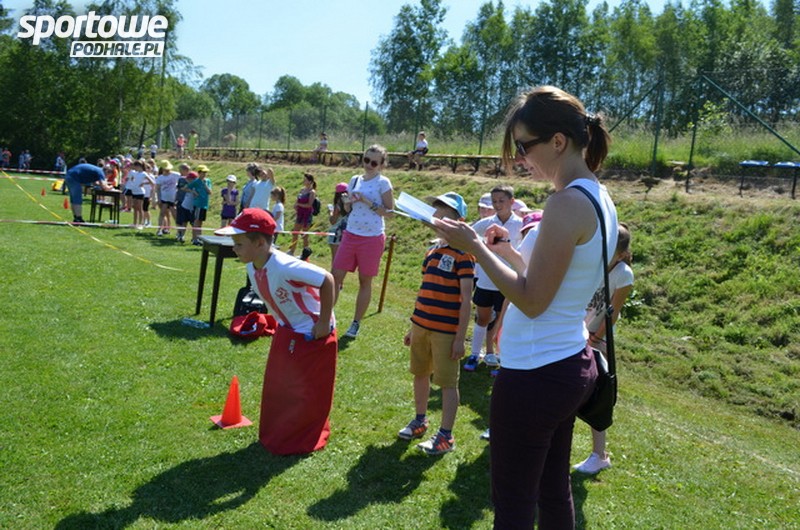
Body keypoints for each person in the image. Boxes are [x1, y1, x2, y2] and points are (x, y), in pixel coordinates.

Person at [432, 85, 616, 529]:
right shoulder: (597, 195)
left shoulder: (566, 202)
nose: (519, 159)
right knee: (552, 490)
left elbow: (533, 301)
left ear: (558, 141)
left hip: (536, 375)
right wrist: (509, 255)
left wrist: (476, 248)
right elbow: (557, 281)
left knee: (513, 503)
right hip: (564, 362)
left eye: (523, 146)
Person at [215, 208, 337, 455]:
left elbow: (327, 280)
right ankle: (279, 433)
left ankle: (301, 438)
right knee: (280, 385)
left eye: (239, 244)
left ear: (260, 243)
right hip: (286, 329)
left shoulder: (285, 266)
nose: (234, 248)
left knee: (305, 389)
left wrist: (323, 322)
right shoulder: (252, 266)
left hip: (312, 334)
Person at [398, 192, 474, 456]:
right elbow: (424, 290)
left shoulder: (464, 254)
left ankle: (445, 436)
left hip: (446, 332)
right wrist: (413, 327)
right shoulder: (432, 251)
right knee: (420, 373)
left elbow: (466, 300)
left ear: (460, 222)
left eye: (445, 216)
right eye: (436, 215)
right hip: (421, 326)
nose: (439, 220)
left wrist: (459, 338)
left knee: (447, 383)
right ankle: (420, 420)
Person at [574, 222, 634, 475]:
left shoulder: (623, 274)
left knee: (598, 396)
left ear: (621, 254)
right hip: (577, 333)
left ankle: (599, 455)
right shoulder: (594, 263)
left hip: (598, 340)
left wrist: (595, 339)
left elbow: (613, 313)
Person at [332, 144, 395, 339]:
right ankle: (326, 316)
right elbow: (348, 209)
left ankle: (356, 323)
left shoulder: (383, 182)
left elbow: (390, 213)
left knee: (364, 281)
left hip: (372, 238)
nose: (369, 165)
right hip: (351, 233)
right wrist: (348, 202)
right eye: (366, 160)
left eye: (374, 162)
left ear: (382, 164)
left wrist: (367, 201)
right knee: (335, 276)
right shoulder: (354, 180)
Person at [462, 185, 523, 374]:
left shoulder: (520, 224)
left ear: (512, 202)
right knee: (482, 318)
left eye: (501, 201)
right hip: (486, 280)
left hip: (508, 282)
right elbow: (468, 235)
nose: (497, 204)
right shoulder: (486, 223)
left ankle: (499, 357)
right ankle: (474, 354)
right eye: (494, 201)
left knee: (503, 322)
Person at [287, 172, 317, 258]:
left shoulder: (312, 192)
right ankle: (292, 250)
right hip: (299, 214)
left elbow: (309, 205)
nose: (303, 181)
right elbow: (298, 200)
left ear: (310, 181)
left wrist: (299, 204)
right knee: (295, 232)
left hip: (307, 215)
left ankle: (305, 253)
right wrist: (296, 205)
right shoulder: (302, 190)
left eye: (305, 180)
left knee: (304, 235)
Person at [327, 182, 351, 269]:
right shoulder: (350, 205)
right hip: (346, 233)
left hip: (336, 233)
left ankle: (334, 276)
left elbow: (333, 221)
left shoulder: (338, 205)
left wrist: (330, 212)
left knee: (335, 259)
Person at [188, 164, 212, 245]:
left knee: (200, 222)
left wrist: (205, 185)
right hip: (198, 204)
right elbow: (186, 187)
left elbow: (209, 192)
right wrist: (193, 192)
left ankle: (199, 238)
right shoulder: (196, 181)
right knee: (196, 221)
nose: (205, 174)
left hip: (204, 204)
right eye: (203, 172)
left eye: (206, 172)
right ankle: (195, 239)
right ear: (199, 173)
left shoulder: (208, 181)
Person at [155, 159, 178, 236]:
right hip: (164, 199)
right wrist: (158, 199)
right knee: (162, 213)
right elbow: (158, 189)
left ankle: (179, 231)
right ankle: (159, 230)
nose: (168, 171)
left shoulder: (175, 175)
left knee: (175, 215)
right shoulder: (160, 178)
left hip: (173, 199)